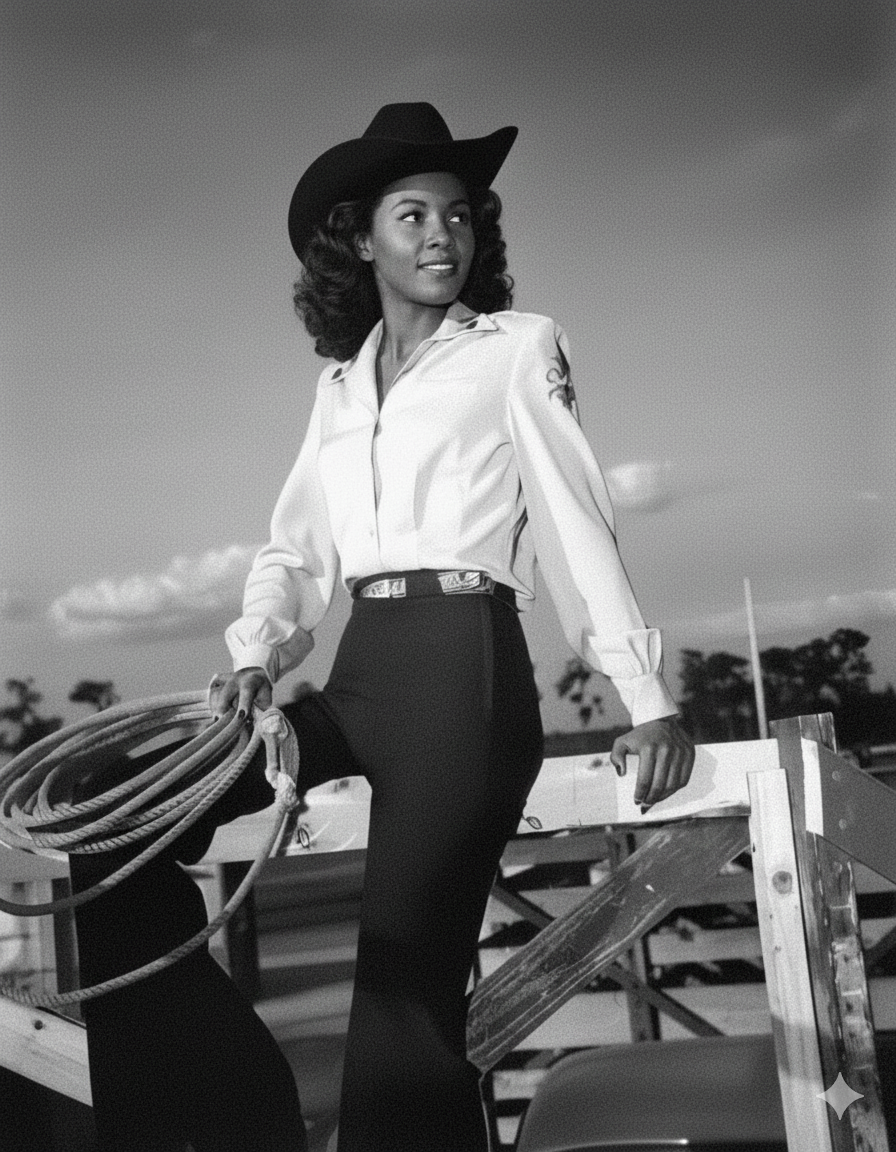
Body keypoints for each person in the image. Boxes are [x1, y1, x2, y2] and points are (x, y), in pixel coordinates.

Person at [207, 102, 695, 1152]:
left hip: (461, 678)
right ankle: (199, 1096)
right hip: (354, 679)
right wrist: (254, 656)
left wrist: (646, 699)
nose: (442, 234)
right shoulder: (338, 388)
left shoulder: (514, 349)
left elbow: (574, 526)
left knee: (399, 993)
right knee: (147, 806)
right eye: (413, 214)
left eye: (460, 215)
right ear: (362, 240)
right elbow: (297, 551)